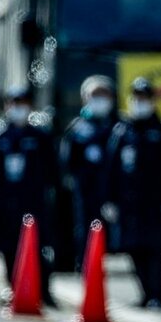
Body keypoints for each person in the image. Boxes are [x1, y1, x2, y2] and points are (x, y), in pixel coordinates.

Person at [105, 77, 161, 309]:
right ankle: (146, 293)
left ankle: (158, 293)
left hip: (156, 203)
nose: (140, 103)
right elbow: (111, 169)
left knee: (155, 249)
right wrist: (110, 200)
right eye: (136, 98)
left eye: (144, 98)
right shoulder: (122, 132)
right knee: (134, 250)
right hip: (129, 204)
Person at [0, 85, 57, 304]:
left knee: (38, 246)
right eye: (14, 104)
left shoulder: (40, 137)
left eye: (22, 104)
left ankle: (43, 291)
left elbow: (51, 170)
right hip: (6, 201)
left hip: (33, 201)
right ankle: (13, 287)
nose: (18, 108)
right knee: (8, 247)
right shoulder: (0, 138)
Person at [60, 74, 118, 269]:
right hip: (86, 189)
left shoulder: (119, 127)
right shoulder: (78, 129)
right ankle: (86, 264)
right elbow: (67, 162)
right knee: (86, 227)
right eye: (95, 95)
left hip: (113, 190)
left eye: (104, 95)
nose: (100, 100)